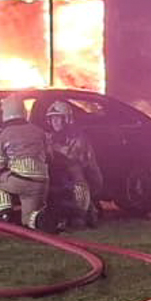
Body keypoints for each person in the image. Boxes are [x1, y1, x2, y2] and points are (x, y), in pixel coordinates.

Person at [0, 94, 53, 230]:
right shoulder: (39, 131)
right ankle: (40, 220)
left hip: (19, 179)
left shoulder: (5, 134)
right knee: (28, 219)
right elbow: (50, 156)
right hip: (41, 182)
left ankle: (5, 216)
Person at [44, 98, 103, 229]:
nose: (55, 122)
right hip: (60, 181)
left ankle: (81, 213)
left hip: (82, 181)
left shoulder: (78, 140)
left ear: (67, 120)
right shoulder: (49, 139)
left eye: (58, 118)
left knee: (75, 175)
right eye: (52, 118)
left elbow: (79, 166)